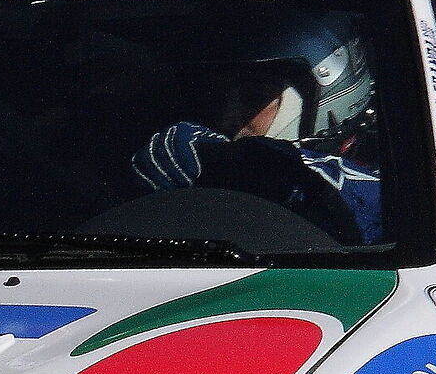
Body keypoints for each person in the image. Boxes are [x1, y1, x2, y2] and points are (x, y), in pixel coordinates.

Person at [131, 60, 382, 243]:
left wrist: (225, 160)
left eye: (252, 98)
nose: (228, 117)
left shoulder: (385, 196)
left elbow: (355, 197)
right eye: (218, 98)